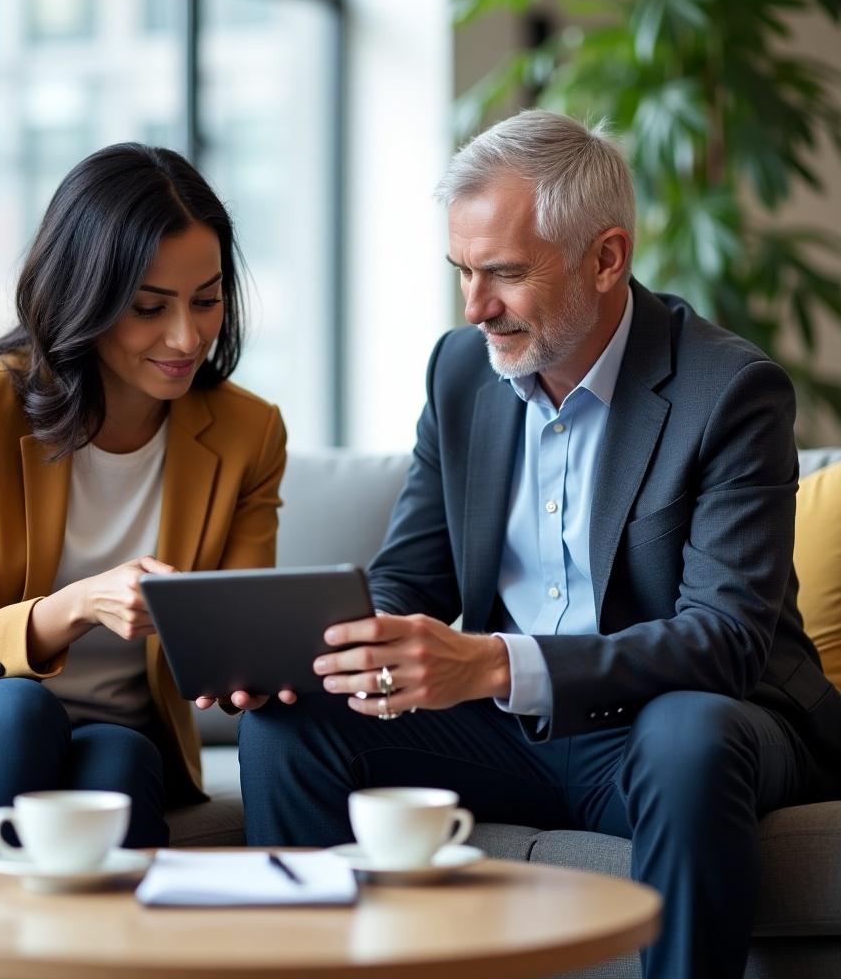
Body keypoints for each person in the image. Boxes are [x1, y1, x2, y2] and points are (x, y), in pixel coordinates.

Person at [238, 110, 841, 979]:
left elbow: (726, 640)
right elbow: (412, 576)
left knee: (687, 735)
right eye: (463, 273)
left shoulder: (729, 391)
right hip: (514, 733)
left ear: (607, 258)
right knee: (291, 725)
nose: (476, 307)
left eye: (505, 275)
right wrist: (309, 655)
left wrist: (492, 665)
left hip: (679, 725)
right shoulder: (460, 372)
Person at [0, 144, 287, 863]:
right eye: (148, 307)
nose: (187, 337)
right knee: (17, 711)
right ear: (85, 295)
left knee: (125, 761)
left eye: (207, 298)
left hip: (104, 734)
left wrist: (259, 668)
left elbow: (240, 642)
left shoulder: (249, 431)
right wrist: (78, 605)